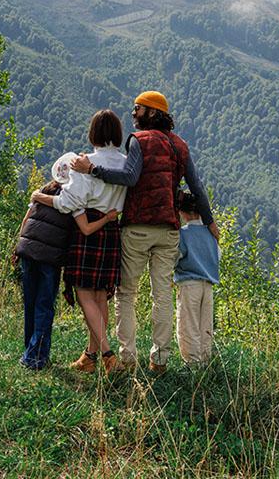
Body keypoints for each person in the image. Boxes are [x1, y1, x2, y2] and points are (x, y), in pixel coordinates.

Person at [71, 91, 216, 372]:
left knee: (127, 294)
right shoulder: (180, 146)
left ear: (151, 112)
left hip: (137, 227)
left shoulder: (140, 140)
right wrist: (209, 221)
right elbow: (197, 188)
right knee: (162, 295)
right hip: (169, 230)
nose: (133, 113)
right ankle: (159, 360)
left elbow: (130, 177)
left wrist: (92, 169)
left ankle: (127, 358)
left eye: (137, 109)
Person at [30, 110, 127, 373]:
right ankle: (89, 357)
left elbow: (66, 203)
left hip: (89, 228)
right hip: (111, 229)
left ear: (93, 132)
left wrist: (40, 197)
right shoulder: (126, 163)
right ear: (117, 134)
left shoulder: (85, 163)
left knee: (84, 294)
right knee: (100, 297)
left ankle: (107, 354)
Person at [13, 179, 74, 370]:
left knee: (30, 303)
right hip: (50, 257)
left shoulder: (43, 190)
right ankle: (36, 357)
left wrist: (17, 247)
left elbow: (26, 218)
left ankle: (30, 351)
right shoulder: (73, 195)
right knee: (45, 306)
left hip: (28, 250)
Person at [174, 191, 220, 365]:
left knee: (188, 325)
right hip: (208, 286)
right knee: (205, 325)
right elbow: (218, 256)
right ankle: (205, 360)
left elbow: (175, 256)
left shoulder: (183, 234)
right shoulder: (212, 234)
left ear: (182, 212)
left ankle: (192, 363)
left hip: (189, 284)